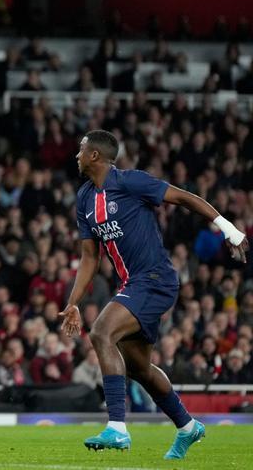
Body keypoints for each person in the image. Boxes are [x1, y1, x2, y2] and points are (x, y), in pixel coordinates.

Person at [60, 130, 248, 459]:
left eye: (81, 149)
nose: (77, 155)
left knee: (101, 332)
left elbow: (184, 198)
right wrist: (73, 302)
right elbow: (90, 256)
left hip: (156, 279)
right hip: (133, 285)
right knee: (139, 369)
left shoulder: (131, 182)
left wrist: (229, 229)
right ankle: (188, 427)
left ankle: (117, 427)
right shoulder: (85, 197)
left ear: (95, 155)